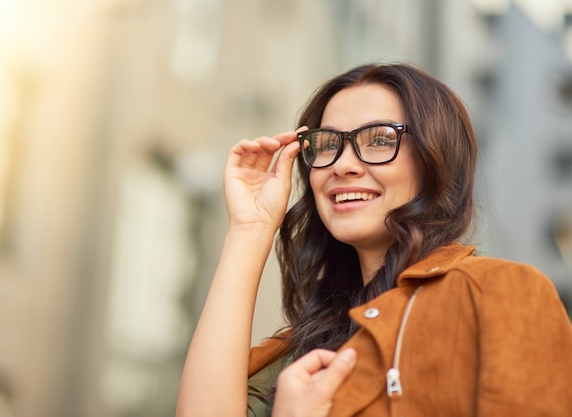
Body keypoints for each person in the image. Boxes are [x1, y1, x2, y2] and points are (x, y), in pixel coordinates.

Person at [176, 63, 572, 417]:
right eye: (328, 144)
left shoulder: (497, 294)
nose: (344, 164)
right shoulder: (296, 351)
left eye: (380, 140)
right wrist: (251, 228)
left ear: (435, 158)